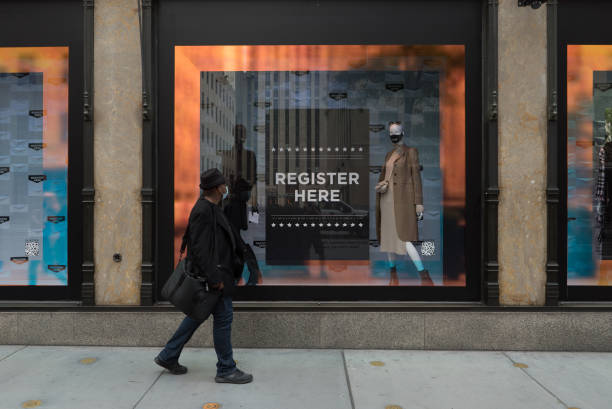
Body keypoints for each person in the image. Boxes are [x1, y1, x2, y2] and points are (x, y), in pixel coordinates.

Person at [154, 168, 253, 384]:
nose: (227, 187)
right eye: (224, 184)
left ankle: (168, 355)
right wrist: (214, 278)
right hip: (215, 278)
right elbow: (199, 249)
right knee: (223, 319)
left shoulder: (212, 208)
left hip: (219, 274)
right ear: (218, 187)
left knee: (196, 316)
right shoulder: (203, 211)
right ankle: (226, 369)